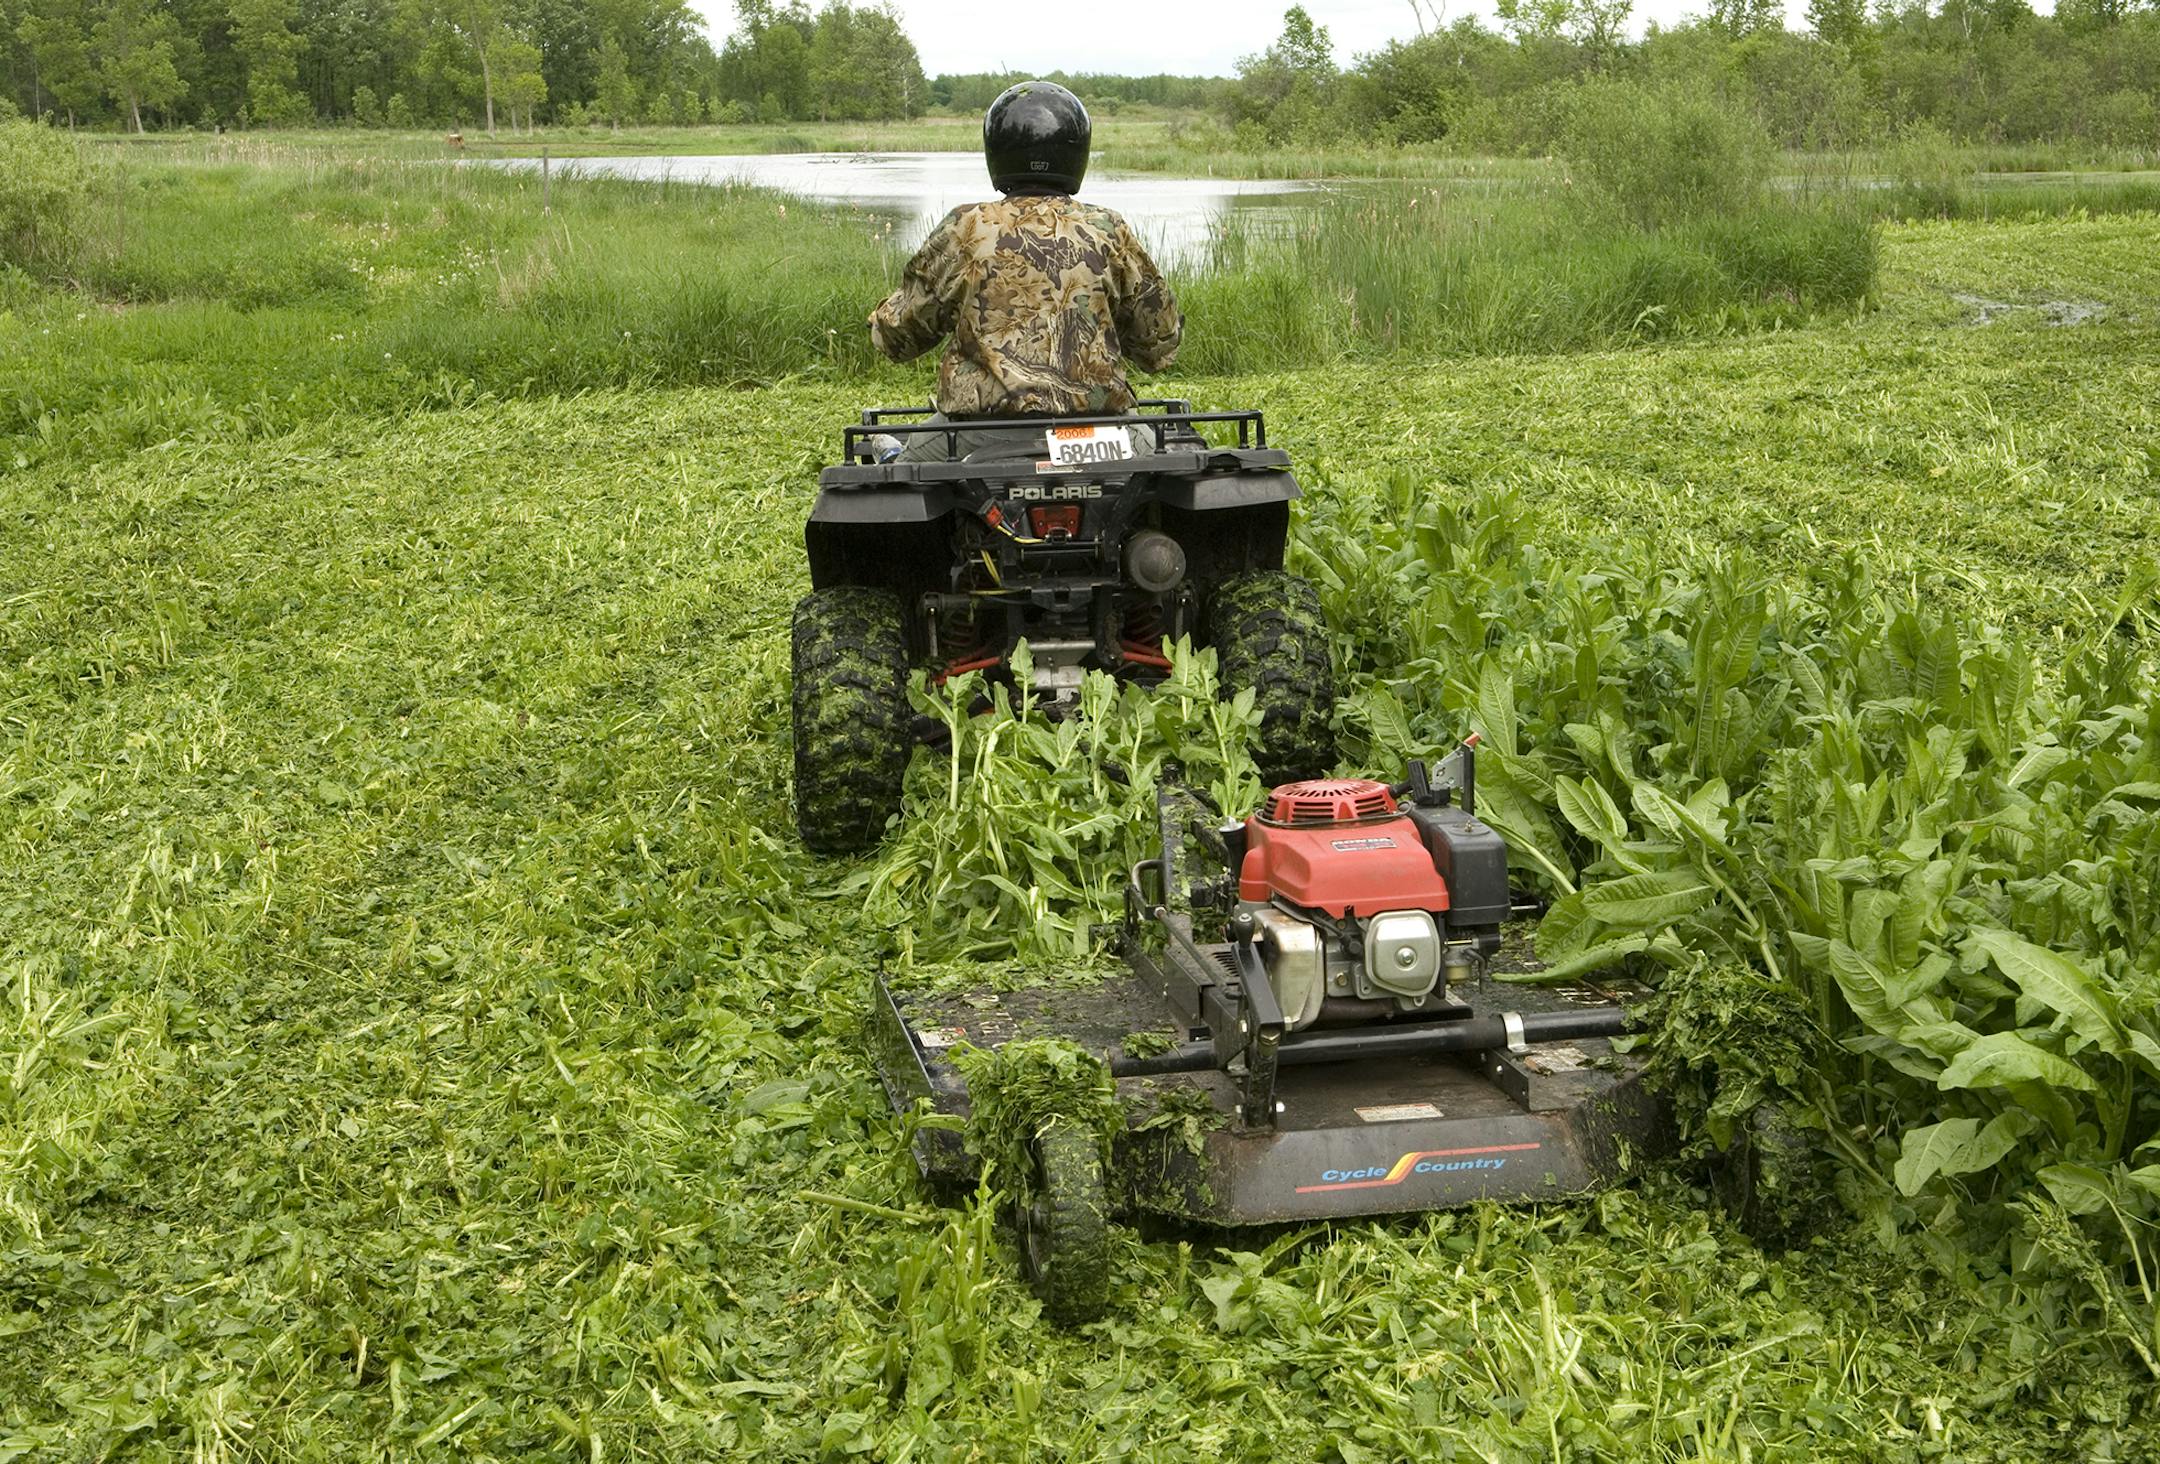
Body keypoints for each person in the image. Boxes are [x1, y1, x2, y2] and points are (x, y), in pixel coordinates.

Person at [869, 81, 1183, 463]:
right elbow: (1160, 344)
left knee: (902, 485)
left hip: (977, 436)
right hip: (1101, 434)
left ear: (997, 152)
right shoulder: (1106, 228)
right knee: (1166, 474)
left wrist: (888, 319)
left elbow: (898, 338)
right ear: (1076, 152)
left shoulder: (966, 227)